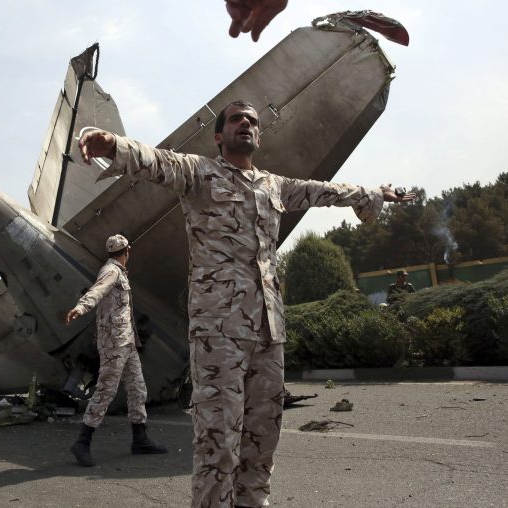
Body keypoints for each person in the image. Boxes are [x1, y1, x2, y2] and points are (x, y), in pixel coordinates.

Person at [77, 100, 416, 507]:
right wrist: (111, 143)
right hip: (219, 332)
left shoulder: (273, 186)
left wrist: (373, 193)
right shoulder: (199, 174)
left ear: (259, 134)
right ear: (219, 135)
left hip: (268, 332)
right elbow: (157, 161)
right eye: (236, 119)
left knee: (262, 439)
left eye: (252, 121)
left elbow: (322, 190)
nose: (246, 124)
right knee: (218, 443)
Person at [65, 234, 167, 467]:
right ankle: (82, 442)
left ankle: (140, 439)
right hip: (114, 343)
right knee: (105, 391)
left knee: (138, 389)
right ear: (127, 251)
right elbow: (97, 290)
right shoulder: (111, 271)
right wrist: (81, 307)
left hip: (127, 342)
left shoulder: (119, 272)